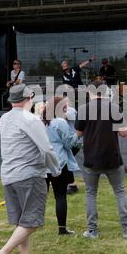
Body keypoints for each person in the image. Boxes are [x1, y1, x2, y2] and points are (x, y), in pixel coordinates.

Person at [0, 84, 60, 254]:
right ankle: (2, 253)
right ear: (29, 99)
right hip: (29, 175)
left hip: (8, 175)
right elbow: (46, 148)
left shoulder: (4, 118)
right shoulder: (31, 119)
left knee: (22, 220)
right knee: (32, 222)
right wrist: (56, 169)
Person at [75, 80, 127, 239]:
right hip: (112, 157)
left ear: (90, 91)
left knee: (91, 193)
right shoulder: (114, 108)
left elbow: (78, 133)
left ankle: (92, 231)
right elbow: (124, 133)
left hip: (91, 158)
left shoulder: (84, 109)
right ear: (105, 92)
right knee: (120, 192)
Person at [43, 96, 81, 235]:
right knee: (60, 196)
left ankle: (30, 225)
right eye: (65, 106)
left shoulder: (42, 122)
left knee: (41, 197)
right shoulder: (60, 122)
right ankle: (62, 229)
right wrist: (78, 135)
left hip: (43, 163)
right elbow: (69, 143)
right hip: (58, 163)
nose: (67, 108)